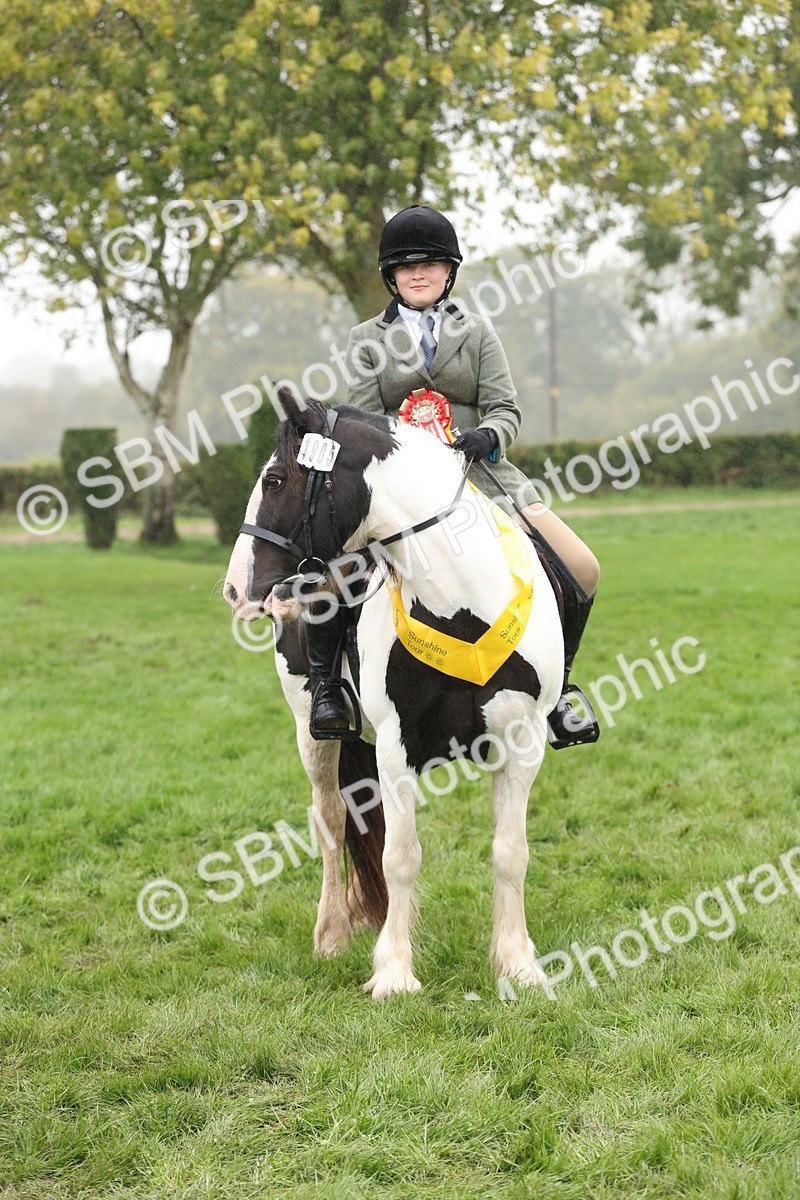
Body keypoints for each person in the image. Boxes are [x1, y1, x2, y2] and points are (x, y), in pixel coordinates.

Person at [307, 204, 600, 750]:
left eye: (430, 264)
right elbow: (364, 421)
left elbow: (505, 407)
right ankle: (328, 688)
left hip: (484, 479)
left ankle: (558, 689)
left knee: (582, 566)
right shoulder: (367, 339)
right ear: (391, 276)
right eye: (406, 266)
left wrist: (488, 436)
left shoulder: (478, 331)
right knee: (333, 575)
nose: (418, 274)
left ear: (449, 271)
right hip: (398, 492)